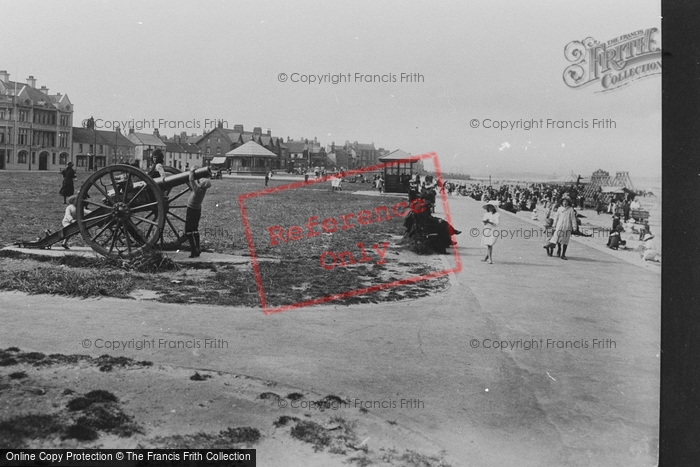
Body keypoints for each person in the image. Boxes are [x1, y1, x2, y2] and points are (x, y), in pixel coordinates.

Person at [185, 167, 212, 258]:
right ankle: (198, 248)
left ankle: (193, 251)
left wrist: (192, 171)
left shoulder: (197, 190)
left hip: (191, 210)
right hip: (197, 210)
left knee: (188, 231)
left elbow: (191, 180)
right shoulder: (202, 189)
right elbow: (196, 182)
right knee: (195, 229)